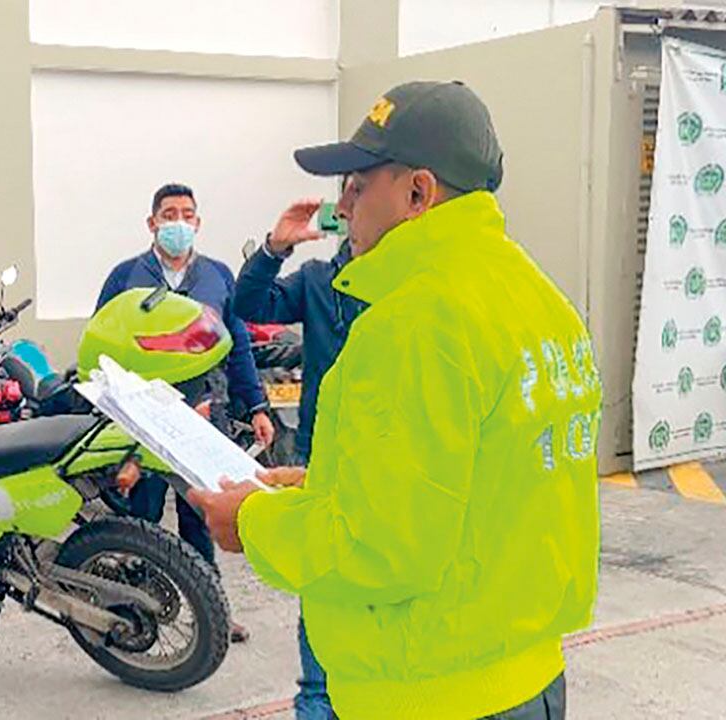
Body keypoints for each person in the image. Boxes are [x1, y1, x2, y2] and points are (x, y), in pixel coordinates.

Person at [190, 81, 600, 719]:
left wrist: (249, 523)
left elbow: (378, 547)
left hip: (428, 692)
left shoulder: (415, 322)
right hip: (527, 677)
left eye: (357, 184)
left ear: (418, 193)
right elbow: (478, 482)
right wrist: (328, 483)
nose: (343, 206)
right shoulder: (537, 299)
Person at [97, 182, 274, 644]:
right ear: (152, 222)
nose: (178, 222)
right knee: (141, 517)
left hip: (203, 414)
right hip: (143, 422)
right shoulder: (125, 277)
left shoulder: (217, 277)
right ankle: (127, 609)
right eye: (168, 213)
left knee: (202, 516)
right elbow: (103, 348)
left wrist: (256, 404)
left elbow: (237, 347)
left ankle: (213, 611)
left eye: (187, 214)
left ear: (197, 222)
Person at [234, 197, 367, 719]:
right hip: (320, 454)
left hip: (385, 452)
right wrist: (274, 248)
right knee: (322, 590)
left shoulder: (408, 287)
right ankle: (318, 697)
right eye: (348, 198)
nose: (354, 210)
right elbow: (251, 304)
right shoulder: (316, 280)